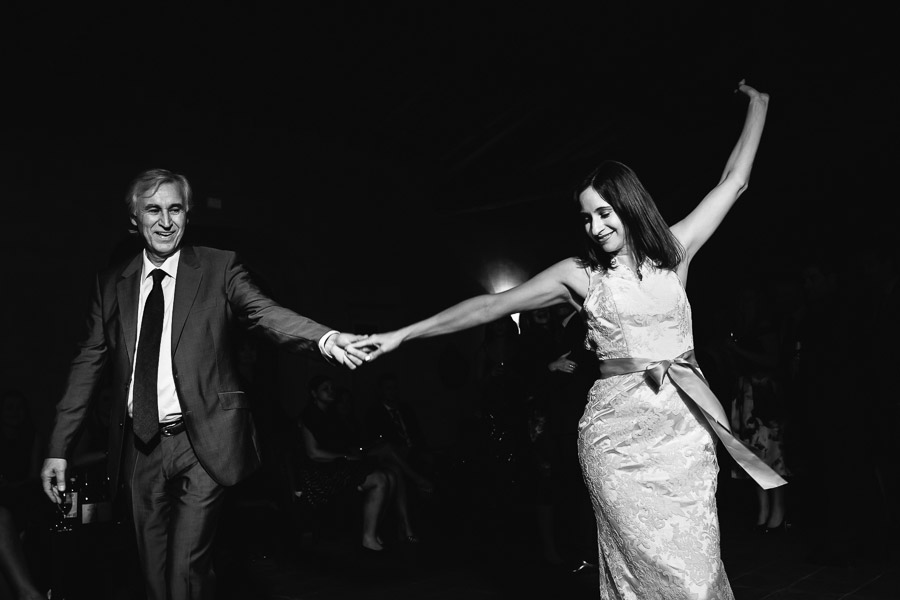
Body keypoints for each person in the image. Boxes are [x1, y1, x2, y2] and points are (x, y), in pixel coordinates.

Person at [355, 82, 785, 598]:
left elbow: (733, 182)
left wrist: (759, 105)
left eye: (604, 212)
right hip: (616, 443)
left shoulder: (675, 251)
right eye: (586, 217)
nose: (595, 226)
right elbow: (492, 305)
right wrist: (402, 335)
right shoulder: (578, 276)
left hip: (683, 435)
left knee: (693, 571)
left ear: (629, 206)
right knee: (640, 571)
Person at [40, 169, 369, 600]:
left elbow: (264, 313)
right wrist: (58, 448)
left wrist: (324, 338)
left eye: (175, 209)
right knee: (154, 576)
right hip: (139, 450)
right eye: (153, 210)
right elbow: (87, 364)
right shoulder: (110, 285)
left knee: (185, 570)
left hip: (204, 442)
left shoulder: (219, 267)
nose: (165, 221)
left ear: (187, 214)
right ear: (134, 219)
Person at [296, 375, 417, 551]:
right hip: (319, 474)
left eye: (332, 388)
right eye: (325, 389)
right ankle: (367, 537)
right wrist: (345, 457)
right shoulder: (308, 416)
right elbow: (313, 453)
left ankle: (373, 530)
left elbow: (347, 444)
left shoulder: (331, 415)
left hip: (337, 466)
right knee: (380, 479)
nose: (331, 392)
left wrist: (353, 453)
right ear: (314, 393)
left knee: (390, 474)